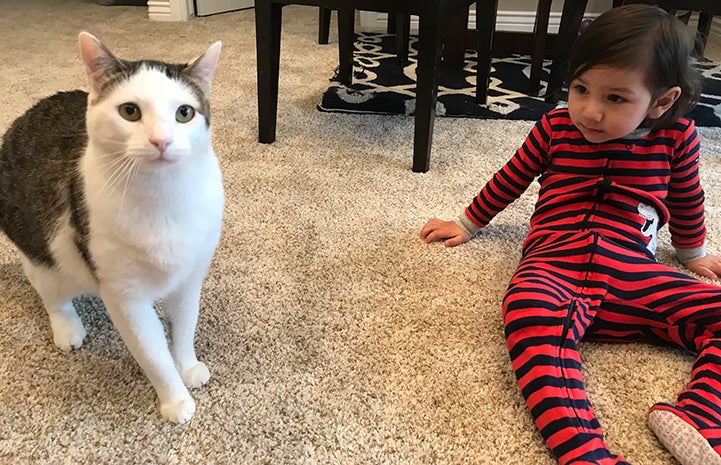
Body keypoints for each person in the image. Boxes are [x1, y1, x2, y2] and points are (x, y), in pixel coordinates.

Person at [421, 5, 721, 465]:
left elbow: (686, 197)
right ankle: (584, 453)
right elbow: (511, 178)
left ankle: (701, 417)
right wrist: (466, 222)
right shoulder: (555, 128)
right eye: (580, 89)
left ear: (660, 102)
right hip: (554, 264)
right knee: (524, 312)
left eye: (615, 99)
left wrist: (692, 251)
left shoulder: (676, 136)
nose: (589, 110)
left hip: (632, 273)